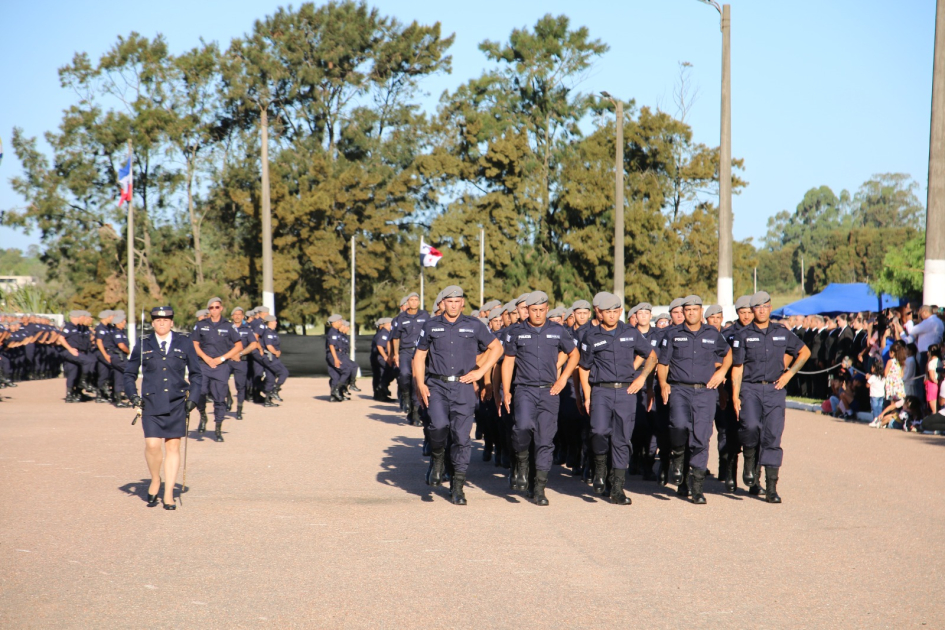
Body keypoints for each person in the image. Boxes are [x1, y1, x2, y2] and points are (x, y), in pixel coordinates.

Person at [413, 286, 503, 505]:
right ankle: (437, 460)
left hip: (463, 387)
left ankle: (457, 486)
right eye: (449, 301)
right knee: (438, 426)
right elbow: (419, 356)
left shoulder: (474, 326)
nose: (453, 305)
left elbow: (497, 348)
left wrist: (481, 372)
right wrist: (420, 385)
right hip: (437, 385)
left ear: (463, 303)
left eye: (457, 301)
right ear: (443, 303)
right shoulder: (431, 325)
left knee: (462, 439)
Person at [501, 291, 580, 506]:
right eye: (533, 310)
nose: (537, 314)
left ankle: (539, 488)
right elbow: (507, 362)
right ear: (527, 310)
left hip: (549, 392)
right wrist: (506, 391)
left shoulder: (557, 330)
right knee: (522, 428)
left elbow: (574, 354)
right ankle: (523, 462)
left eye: (541, 310)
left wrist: (563, 378)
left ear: (547, 309)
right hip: (524, 390)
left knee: (545, 440)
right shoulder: (516, 331)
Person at [577, 293, 658, 504]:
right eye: (607, 312)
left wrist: (641, 378)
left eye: (615, 312)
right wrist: (587, 396)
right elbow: (584, 368)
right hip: (601, 391)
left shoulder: (630, 333)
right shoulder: (590, 336)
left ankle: (618, 488)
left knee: (622, 439)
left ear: (620, 312)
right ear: (599, 313)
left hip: (626, 392)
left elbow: (651, 355)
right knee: (598, 431)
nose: (612, 316)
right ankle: (600, 469)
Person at [731, 291, 810, 503]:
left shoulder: (781, 332)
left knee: (772, 436)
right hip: (750, 389)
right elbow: (737, 368)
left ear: (770, 307)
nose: (762, 310)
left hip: (775, 390)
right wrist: (735, 395)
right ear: (753, 309)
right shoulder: (743, 334)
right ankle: (749, 462)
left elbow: (804, 352)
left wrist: (789, 374)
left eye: (766, 306)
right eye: (758, 307)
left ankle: (771, 487)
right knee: (750, 427)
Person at [124, 306, 202, 510]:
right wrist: (133, 396)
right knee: (152, 445)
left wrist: (193, 398)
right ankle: (155, 479)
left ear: (172, 322)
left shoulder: (184, 342)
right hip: (150, 403)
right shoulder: (143, 344)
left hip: (177, 402)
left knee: (173, 447)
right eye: (158, 320)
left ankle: (168, 494)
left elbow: (196, 374)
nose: (162, 323)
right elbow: (129, 374)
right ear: (152, 323)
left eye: (166, 320)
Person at [657, 295, 732, 504]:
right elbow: (663, 363)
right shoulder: (673, 334)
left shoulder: (712, 333)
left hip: (705, 391)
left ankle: (697, 488)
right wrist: (663, 384)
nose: (690, 313)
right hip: (679, 390)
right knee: (679, 426)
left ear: (701, 311)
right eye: (687, 310)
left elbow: (728, 354)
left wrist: (722, 372)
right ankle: (678, 456)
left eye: (694, 309)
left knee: (701, 437)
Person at [192, 297, 243, 442]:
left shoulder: (228, 326)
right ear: (209, 310)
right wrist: (206, 358)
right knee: (200, 393)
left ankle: (218, 428)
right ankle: (203, 415)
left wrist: (222, 359)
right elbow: (194, 344)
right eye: (211, 307)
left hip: (221, 367)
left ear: (221, 308)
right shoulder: (201, 325)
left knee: (220, 399)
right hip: (204, 365)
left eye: (216, 307)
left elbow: (238, 346)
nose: (214, 309)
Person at [391, 293, 429, 425]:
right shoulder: (400, 318)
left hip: (420, 351)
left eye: (416, 300)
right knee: (404, 374)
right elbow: (396, 337)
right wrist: (396, 354)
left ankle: (416, 414)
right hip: (405, 351)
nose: (413, 302)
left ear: (419, 302)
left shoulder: (425, 316)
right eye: (411, 300)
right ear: (407, 302)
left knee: (417, 381)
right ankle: (405, 395)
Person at [229, 307, 258, 419]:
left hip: (241, 361)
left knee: (241, 386)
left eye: (239, 314)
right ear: (232, 316)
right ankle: (229, 399)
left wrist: (240, 354)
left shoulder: (247, 329)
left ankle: (239, 410)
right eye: (235, 314)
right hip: (227, 360)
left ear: (242, 316)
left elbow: (253, 344)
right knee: (220, 382)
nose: (237, 316)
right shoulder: (227, 328)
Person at [260, 314, 289, 403]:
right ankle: (275, 390)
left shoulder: (273, 332)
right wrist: (276, 352)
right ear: (270, 322)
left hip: (272, 357)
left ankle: (268, 400)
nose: (276, 323)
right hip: (270, 357)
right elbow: (269, 346)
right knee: (284, 372)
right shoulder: (268, 332)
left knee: (270, 378)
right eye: (274, 321)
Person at [370, 318, 394, 401]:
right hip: (382, 357)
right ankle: (381, 392)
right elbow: (380, 346)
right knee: (387, 373)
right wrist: (385, 357)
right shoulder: (384, 333)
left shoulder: (384, 332)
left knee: (381, 375)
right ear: (387, 324)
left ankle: (381, 393)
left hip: (379, 357)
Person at [926, 344, 941, 415]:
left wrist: (936, 382)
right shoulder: (940, 362)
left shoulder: (931, 363)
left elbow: (932, 377)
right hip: (939, 384)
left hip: (932, 386)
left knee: (934, 410)